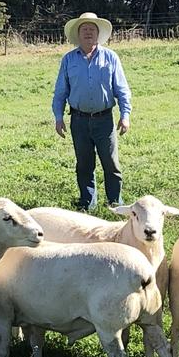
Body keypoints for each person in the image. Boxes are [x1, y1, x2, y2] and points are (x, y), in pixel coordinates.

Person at [52, 11, 131, 211]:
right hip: (78, 120)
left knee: (111, 164)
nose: (88, 33)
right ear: (78, 34)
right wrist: (58, 117)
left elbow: (122, 89)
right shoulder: (69, 60)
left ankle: (115, 203)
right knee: (84, 164)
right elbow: (61, 91)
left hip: (104, 119)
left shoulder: (111, 57)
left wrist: (125, 115)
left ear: (98, 34)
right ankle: (88, 203)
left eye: (92, 29)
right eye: (84, 29)